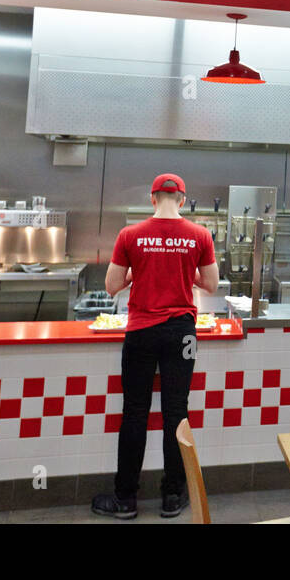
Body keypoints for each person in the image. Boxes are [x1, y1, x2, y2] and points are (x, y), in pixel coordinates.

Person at [92, 173, 218, 520]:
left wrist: (140, 270)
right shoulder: (199, 235)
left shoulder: (130, 234)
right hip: (182, 333)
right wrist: (183, 269)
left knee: (135, 412)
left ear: (152, 198)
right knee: (177, 413)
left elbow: (112, 285)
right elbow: (210, 284)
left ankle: (125, 499)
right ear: (181, 199)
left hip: (142, 331)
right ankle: (173, 497)